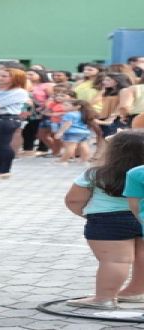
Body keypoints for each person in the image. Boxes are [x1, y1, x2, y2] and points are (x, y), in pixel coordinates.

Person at [65, 130, 144, 309]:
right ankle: (136, 291)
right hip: (141, 216)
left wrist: (87, 214)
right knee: (142, 256)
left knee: (115, 260)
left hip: (108, 221)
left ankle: (104, 298)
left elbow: (73, 199)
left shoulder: (96, 174)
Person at [53, 100, 94, 165]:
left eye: (67, 105)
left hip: (73, 132)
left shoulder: (69, 114)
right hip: (84, 132)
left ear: (77, 107)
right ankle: (85, 160)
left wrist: (60, 132)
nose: (63, 106)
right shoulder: (83, 114)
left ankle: (63, 160)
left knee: (71, 147)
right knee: (84, 146)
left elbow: (67, 124)